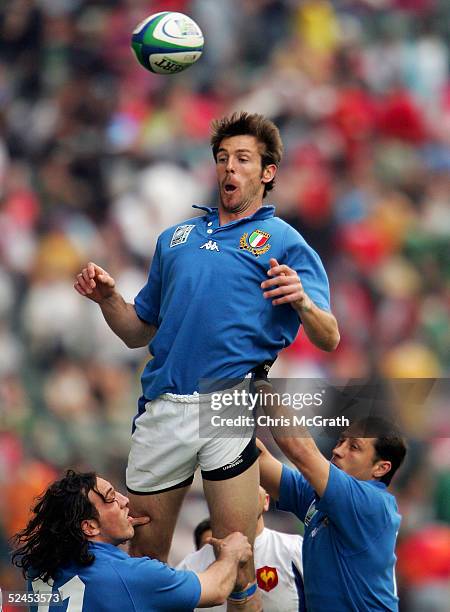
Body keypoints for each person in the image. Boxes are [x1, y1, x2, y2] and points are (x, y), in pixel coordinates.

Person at [73, 111, 340, 608]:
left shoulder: (284, 240)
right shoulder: (175, 240)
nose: (229, 169)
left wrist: (303, 301)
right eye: (222, 158)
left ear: (268, 171)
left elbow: (329, 336)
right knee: (146, 562)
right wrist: (109, 297)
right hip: (164, 407)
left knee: (240, 557)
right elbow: (138, 331)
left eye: (242, 159)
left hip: (230, 401)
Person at [11, 470, 252, 611]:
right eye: (111, 499)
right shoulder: (134, 576)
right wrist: (231, 553)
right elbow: (217, 589)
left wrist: (112, 532)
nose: (125, 501)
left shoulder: (39, 567)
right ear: (89, 526)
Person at [257, 415, 407, 611]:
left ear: (380, 468)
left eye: (354, 447)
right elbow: (258, 458)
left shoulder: (372, 503)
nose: (337, 450)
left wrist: (261, 386)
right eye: (341, 441)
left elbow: (299, 450)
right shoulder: (320, 496)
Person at [178, 486, 305, 612]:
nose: (243, 486)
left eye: (254, 481)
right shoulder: (190, 567)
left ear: (266, 502)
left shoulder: (294, 548)